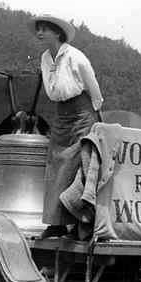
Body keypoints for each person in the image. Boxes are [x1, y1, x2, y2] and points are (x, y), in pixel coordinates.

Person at [28, 14, 104, 238]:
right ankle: (56, 223)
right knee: (57, 164)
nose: (40, 33)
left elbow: (93, 89)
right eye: (38, 29)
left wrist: (95, 116)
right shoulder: (45, 58)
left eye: (45, 29)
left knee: (81, 164)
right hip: (61, 113)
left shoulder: (75, 56)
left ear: (58, 33)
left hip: (82, 112)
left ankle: (79, 225)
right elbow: (52, 89)